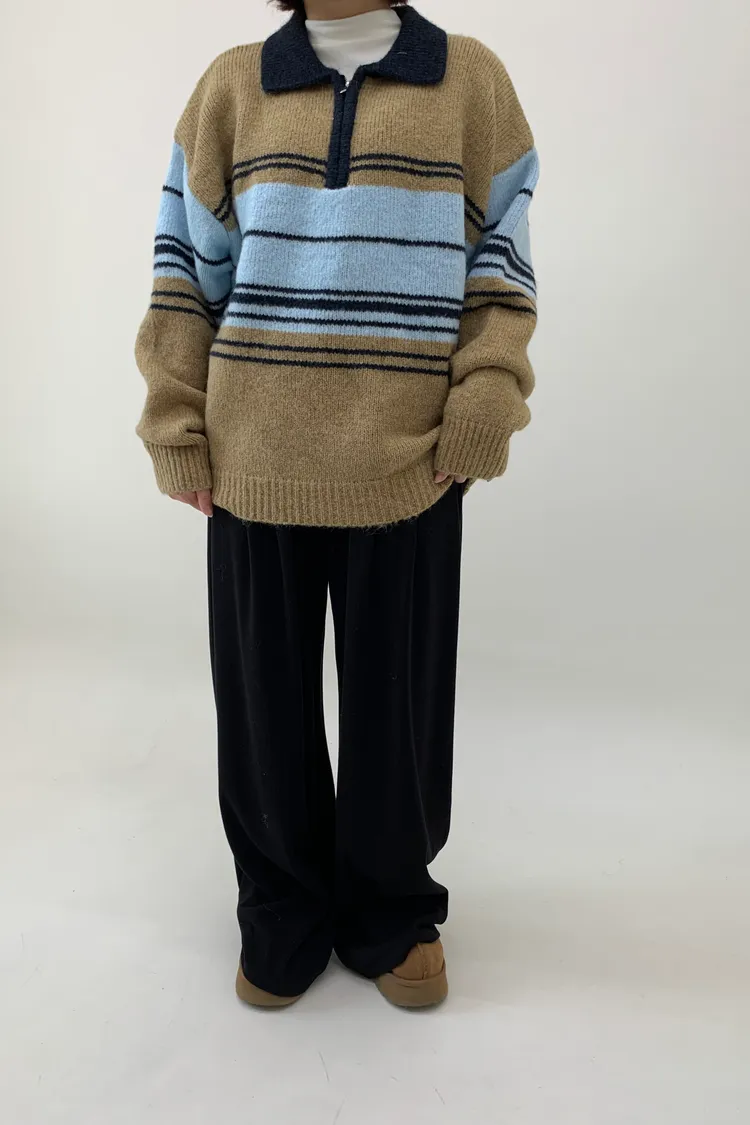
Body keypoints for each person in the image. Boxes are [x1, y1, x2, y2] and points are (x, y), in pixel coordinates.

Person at [133, 0, 539, 1009]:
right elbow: (185, 266)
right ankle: (281, 907)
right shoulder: (232, 85)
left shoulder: (470, 80)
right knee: (263, 707)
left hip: (411, 465)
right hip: (254, 458)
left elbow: (501, 266)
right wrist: (176, 420)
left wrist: (483, 406)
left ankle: (391, 909)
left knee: (398, 711)